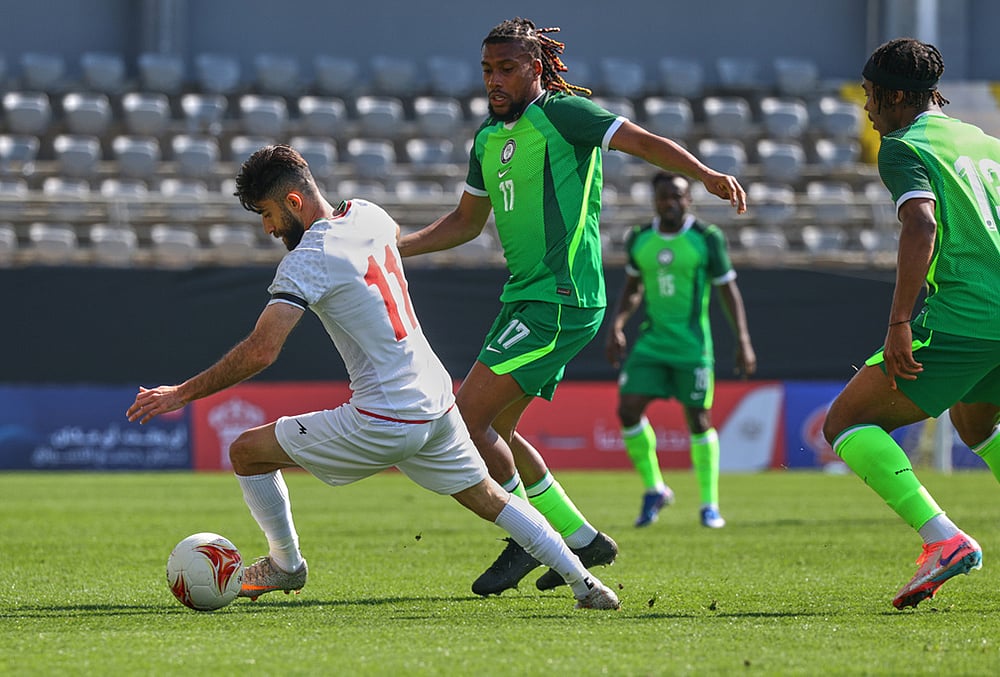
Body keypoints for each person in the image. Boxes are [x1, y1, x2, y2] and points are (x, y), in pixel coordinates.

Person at [125, 144, 620, 611]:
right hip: (436, 400)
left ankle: (286, 566)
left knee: (245, 452)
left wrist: (181, 394)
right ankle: (586, 582)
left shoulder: (306, 261)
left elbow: (261, 351)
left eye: (268, 215)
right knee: (489, 497)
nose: (269, 229)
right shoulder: (369, 214)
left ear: (293, 201)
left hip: (385, 416)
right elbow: (383, 253)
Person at [398, 17, 747, 596]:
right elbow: (465, 221)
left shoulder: (564, 114)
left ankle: (530, 538)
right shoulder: (487, 138)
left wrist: (705, 174)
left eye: (506, 68)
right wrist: (397, 248)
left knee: (464, 421)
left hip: (560, 298)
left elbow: (643, 142)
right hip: (525, 298)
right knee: (498, 429)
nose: (494, 80)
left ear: (535, 68)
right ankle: (580, 538)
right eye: (487, 70)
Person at [823, 38, 1000, 610]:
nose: (867, 108)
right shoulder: (984, 142)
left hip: (965, 317)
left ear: (897, 95)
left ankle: (944, 539)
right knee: (977, 427)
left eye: (872, 95)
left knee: (845, 424)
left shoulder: (903, 145)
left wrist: (900, 319)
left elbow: (920, 227)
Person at [606, 171, 756, 529]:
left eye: (677, 196)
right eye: (663, 197)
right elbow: (633, 287)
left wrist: (743, 340)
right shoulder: (640, 238)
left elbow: (727, 290)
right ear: (654, 200)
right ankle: (655, 489)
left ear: (689, 199)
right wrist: (617, 325)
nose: (669, 203)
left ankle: (709, 505)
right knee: (628, 410)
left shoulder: (706, 238)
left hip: (692, 347)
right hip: (652, 342)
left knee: (698, 420)